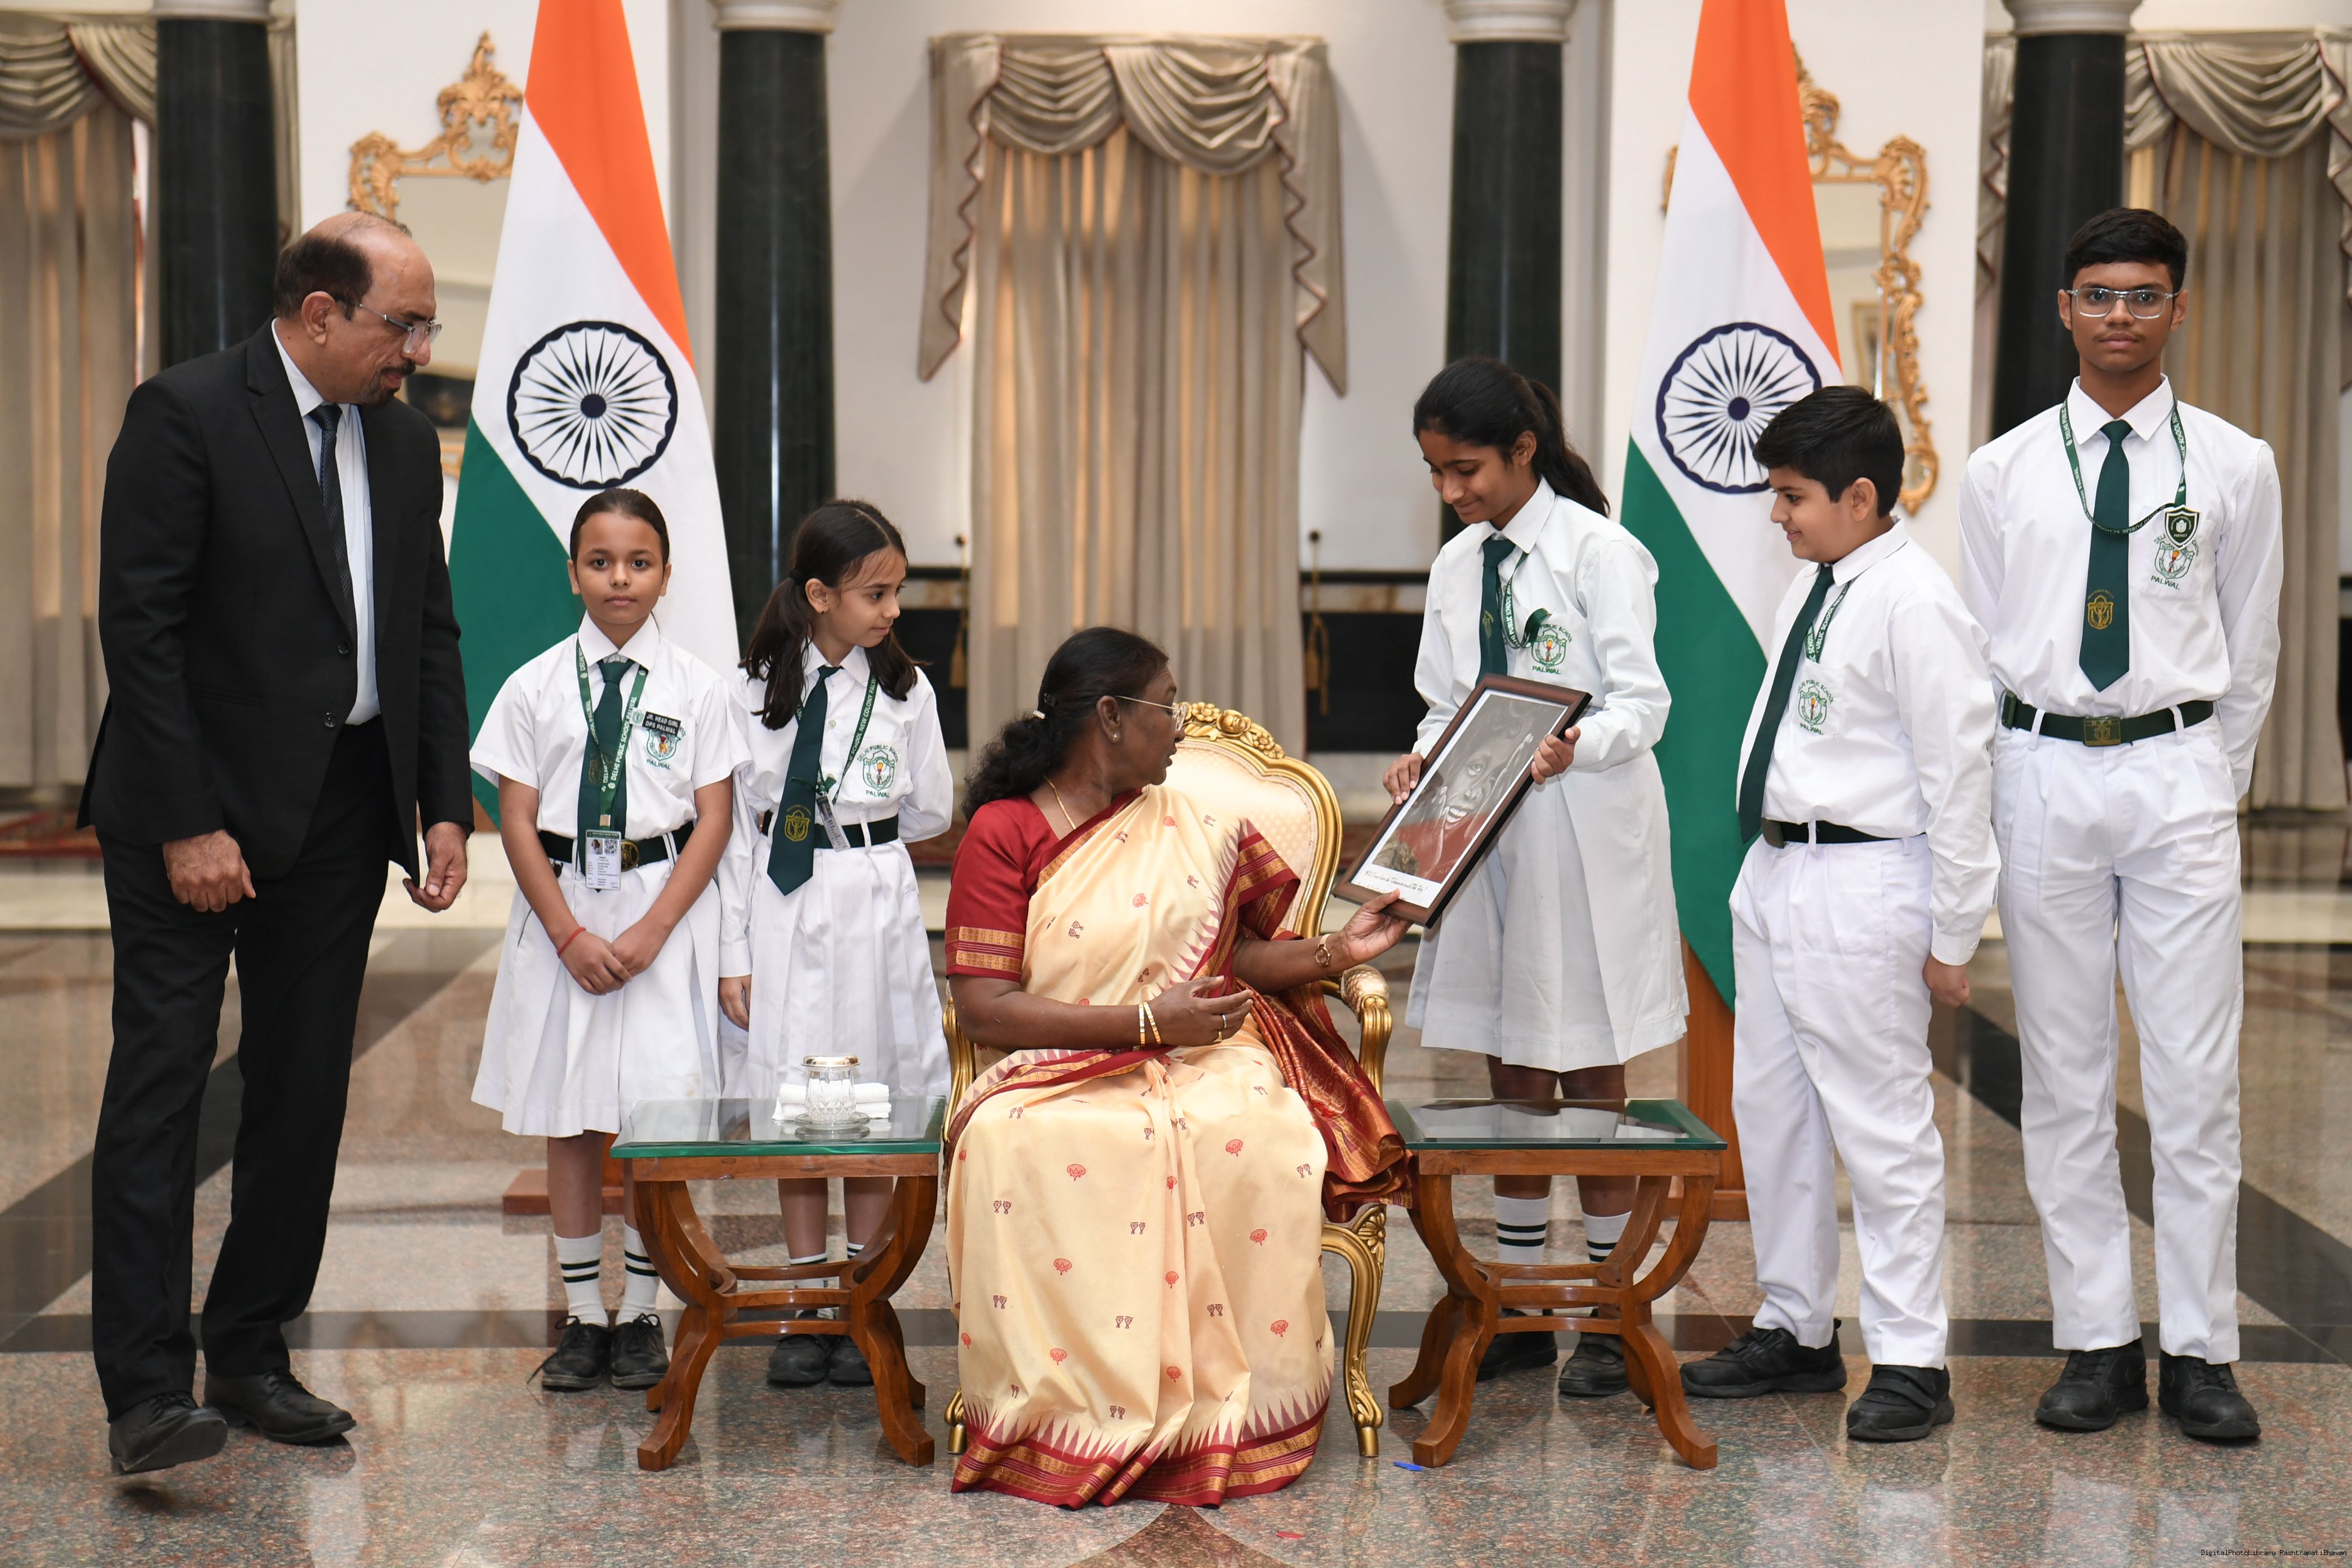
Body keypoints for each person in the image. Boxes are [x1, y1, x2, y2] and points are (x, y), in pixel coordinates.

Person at [81, 213, 475, 1475]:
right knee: (162, 1087)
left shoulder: (402, 442)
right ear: (319, 314)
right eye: (402, 325)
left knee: (302, 1092)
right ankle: (146, 1391)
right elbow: (140, 631)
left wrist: (443, 800)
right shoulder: (186, 413)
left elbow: (426, 630)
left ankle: (249, 1353)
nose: (419, 351)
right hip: (190, 812)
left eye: (425, 327)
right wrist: (189, 820)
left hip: (344, 810)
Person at [942, 628, 1411, 1506]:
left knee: (1256, 1131)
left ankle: (1237, 1408)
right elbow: (985, 1008)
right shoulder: (1005, 831)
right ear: (1111, 717)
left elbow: (1244, 958)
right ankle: (1069, 1415)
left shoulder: (1196, 824)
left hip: (1205, 1053)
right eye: (1167, 706)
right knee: (1009, 1139)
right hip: (1060, 1064)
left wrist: (1336, 950)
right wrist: (1149, 1024)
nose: (1184, 726)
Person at [1959, 208, 2281, 1443]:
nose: (2120, 316)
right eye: (2098, 294)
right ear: (2063, 308)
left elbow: (2253, 643)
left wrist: (2209, 780)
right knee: (2063, 1075)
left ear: (2178, 310)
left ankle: (2201, 1350)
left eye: (2144, 296)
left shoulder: (2237, 465)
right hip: (2044, 772)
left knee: (2196, 1077)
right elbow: (1986, 650)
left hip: (2177, 775)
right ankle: (2095, 1340)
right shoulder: (2002, 472)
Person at [1675, 386, 1996, 1443]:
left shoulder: (1914, 602)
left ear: (1861, 497)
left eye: (1793, 496)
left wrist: (1954, 933)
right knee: (1774, 1114)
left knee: (1881, 1124)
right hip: (1778, 872)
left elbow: (1960, 776)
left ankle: (1911, 1358)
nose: (1778, 515)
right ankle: (1797, 1327)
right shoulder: (1815, 587)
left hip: (1864, 880)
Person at [1386, 356, 1687, 1396]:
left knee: (1590, 1062)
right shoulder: (1458, 566)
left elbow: (1643, 705)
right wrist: (1423, 755)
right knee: (1513, 1059)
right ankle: (1515, 1302)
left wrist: (1574, 747)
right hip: (1489, 832)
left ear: (1523, 451)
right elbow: (1445, 700)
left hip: (1580, 829)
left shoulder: (1602, 553)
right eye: (1435, 473)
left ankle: (1603, 1311)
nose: (1451, 492)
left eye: (1465, 470)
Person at [469, 488, 742, 1396]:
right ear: (573, 573)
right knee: (573, 1114)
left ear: (666, 575)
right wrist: (567, 933)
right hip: (564, 914)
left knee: (654, 1117)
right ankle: (586, 1315)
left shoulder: (699, 687)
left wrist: (657, 928)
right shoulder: (535, 685)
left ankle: (645, 1315)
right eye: (600, 561)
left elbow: (714, 819)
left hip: (662, 908)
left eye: (638, 562)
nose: (619, 578)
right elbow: (514, 819)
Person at [716, 500, 954, 1391]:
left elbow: (931, 807)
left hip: (873, 902)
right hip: (784, 901)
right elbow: (733, 833)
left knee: (869, 1099)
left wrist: (863, 839)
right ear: (820, 596)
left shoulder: (906, 690)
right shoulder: (749, 692)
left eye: (896, 592)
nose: (891, 610)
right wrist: (734, 952)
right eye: (874, 593)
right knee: (801, 1102)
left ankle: (861, 1301)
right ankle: (805, 1301)